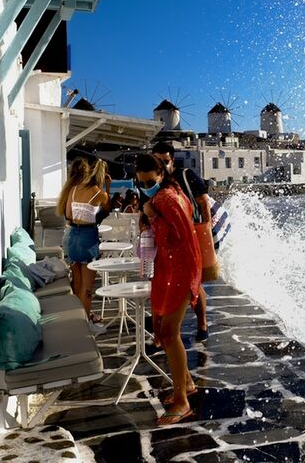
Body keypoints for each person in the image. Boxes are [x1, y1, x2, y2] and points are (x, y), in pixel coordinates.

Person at [134, 153, 201, 425]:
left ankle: (182, 401)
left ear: (160, 175)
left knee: (168, 333)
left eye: (149, 181)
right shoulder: (167, 194)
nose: (145, 185)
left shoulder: (166, 199)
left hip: (180, 270)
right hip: (171, 269)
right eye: (141, 182)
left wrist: (151, 217)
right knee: (163, 330)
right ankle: (187, 384)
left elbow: (180, 237)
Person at [151, 141, 211, 341]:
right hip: (164, 239)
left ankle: (202, 323)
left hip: (190, 234)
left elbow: (203, 201)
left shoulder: (186, 175)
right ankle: (160, 333)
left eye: (165, 161)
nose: (163, 164)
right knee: (163, 281)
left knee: (195, 282)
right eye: (158, 161)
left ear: (172, 160)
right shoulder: (153, 181)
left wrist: (207, 228)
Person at [57, 158, 111, 331]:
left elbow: (68, 214)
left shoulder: (72, 190)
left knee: (77, 284)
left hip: (72, 236)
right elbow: (107, 208)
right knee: (87, 289)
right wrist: (107, 188)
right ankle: (85, 323)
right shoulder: (100, 193)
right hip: (88, 236)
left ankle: (78, 318)